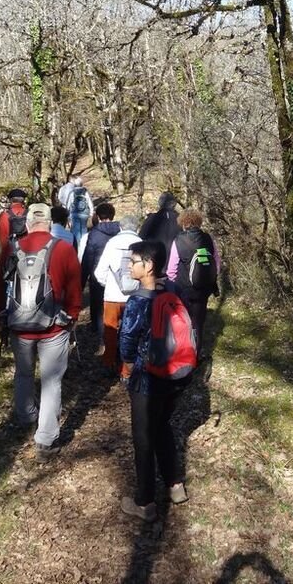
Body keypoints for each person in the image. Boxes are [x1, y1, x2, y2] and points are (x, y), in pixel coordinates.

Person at [0, 203, 81, 462]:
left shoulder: (11, 248)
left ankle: (27, 417)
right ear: (50, 223)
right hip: (54, 328)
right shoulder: (63, 248)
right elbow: (75, 289)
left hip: (19, 327)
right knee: (51, 381)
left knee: (23, 374)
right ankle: (45, 440)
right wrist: (72, 316)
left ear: (27, 224)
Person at [118, 240, 191, 521]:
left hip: (147, 380)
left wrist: (129, 368)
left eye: (133, 261)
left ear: (148, 266)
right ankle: (175, 485)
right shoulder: (172, 292)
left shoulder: (138, 301)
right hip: (175, 376)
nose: (129, 266)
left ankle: (145, 502)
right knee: (163, 427)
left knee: (144, 438)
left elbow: (127, 344)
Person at [166, 208, 220, 353]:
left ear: (183, 223)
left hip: (184, 289)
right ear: (199, 222)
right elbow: (217, 262)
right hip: (204, 288)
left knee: (184, 322)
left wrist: (172, 287)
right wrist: (211, 278)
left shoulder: (178, 240)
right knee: (199, 323)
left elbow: (171, 269)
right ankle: (197, 353)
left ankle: (184, 354)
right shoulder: (207, 238)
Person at [93, 215, 141, 376]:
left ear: (120, 227)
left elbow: (99, 272)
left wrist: (108, 285)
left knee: (110, 330)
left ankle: (109, 362)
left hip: (112, 296)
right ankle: (127, 370)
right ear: (137, 228)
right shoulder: (141, 243)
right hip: (135, 297)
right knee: (132, 332)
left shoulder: (112, 243)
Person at [79, 203, 119, 357]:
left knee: (100, 309)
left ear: (98, 216)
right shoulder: (119, 231)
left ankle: (102, 340)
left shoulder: (94, 234)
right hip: (116, 277)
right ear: (112, 215)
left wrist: (81, 282)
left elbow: (88, 258)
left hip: (97, 276)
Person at [68, 176, 95, 248]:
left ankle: (76, 246)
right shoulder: (85, 192)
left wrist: (68, 216)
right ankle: (84, 246)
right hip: (85, 213)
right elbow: (90, 203)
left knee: (75, 230)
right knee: (84, 229)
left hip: (74, 214)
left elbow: (69, 204)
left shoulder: (72, 192)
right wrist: (91, 213)